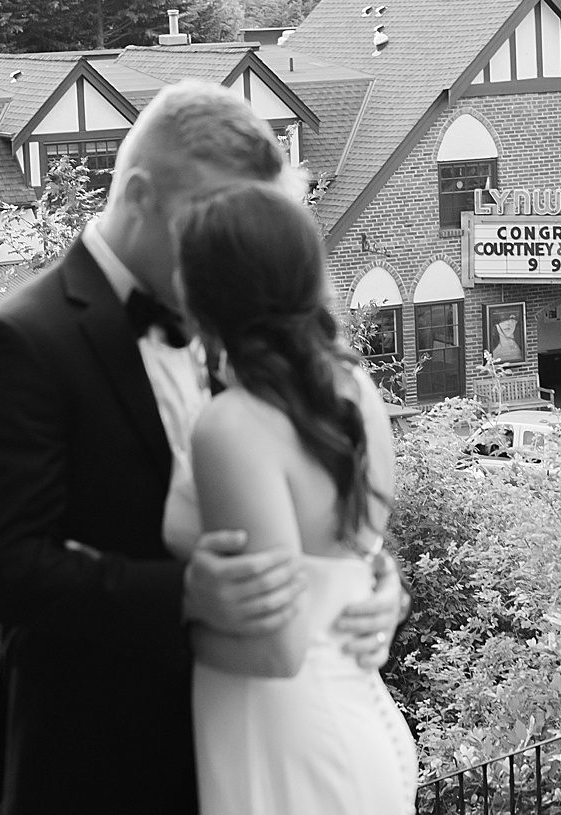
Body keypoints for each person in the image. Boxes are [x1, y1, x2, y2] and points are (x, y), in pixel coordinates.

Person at [0, 82, 406, 815]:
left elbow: (310, 492)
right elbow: (8, 568)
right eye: (213, 216)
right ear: (139, 193)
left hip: (257, 743)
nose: (229, 244)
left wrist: (367, 583)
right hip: (106, 761)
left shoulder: (246, 327)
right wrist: (186, 594)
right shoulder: (20, 342)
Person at [165, 180, 418, 815]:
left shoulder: (234, 426)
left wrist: (172, 625)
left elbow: (276, 648)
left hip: (289, 740)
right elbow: (360, 558)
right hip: (358, 720)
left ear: (202, 297)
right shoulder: (355, 389)